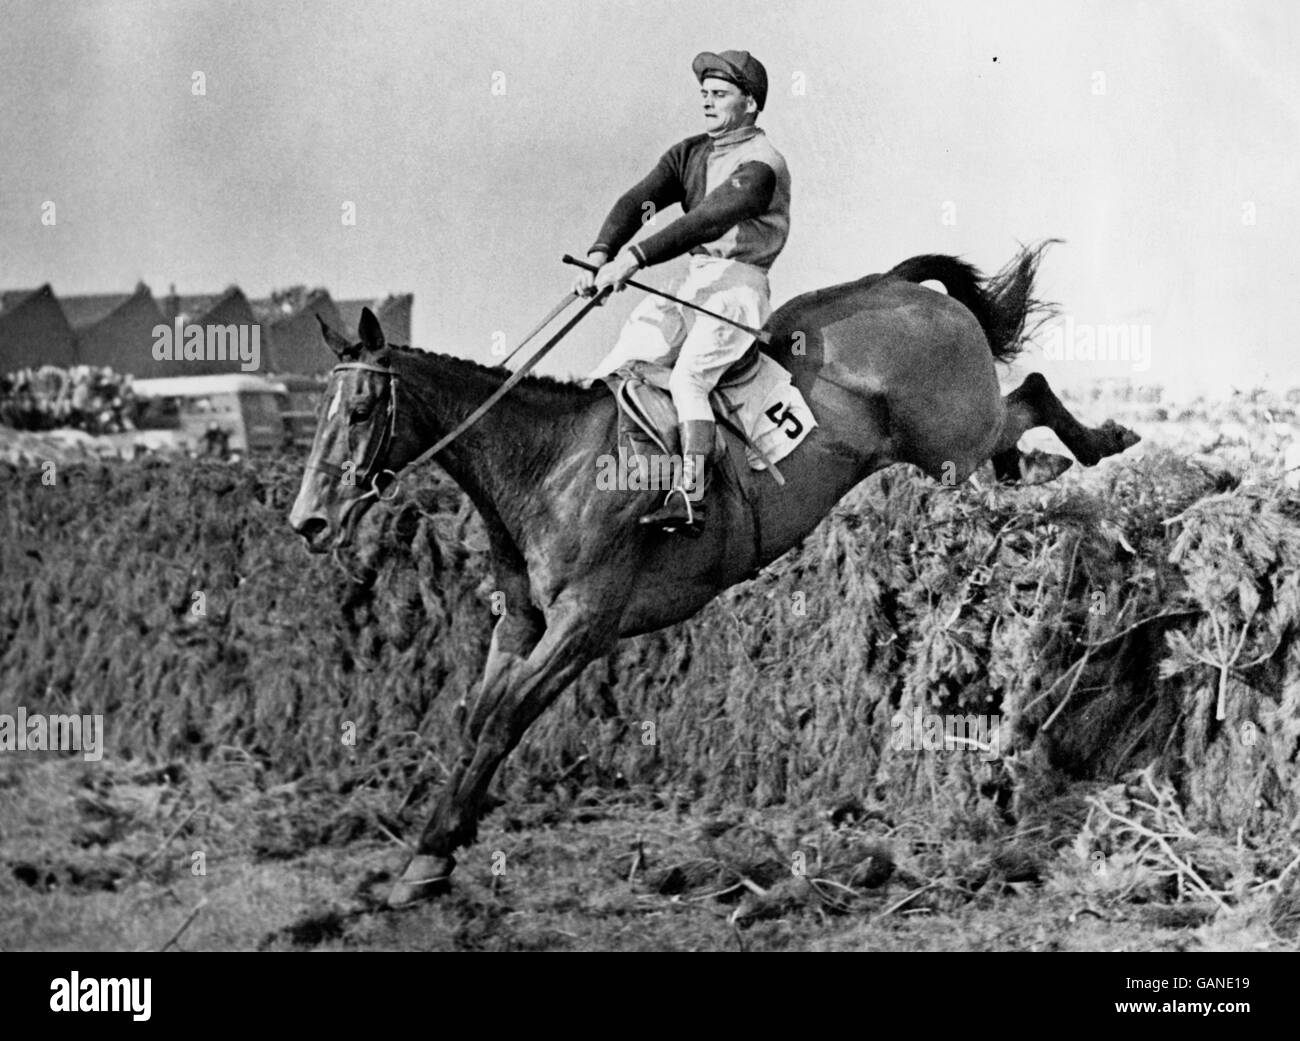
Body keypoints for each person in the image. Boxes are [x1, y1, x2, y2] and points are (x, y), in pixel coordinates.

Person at [575, 49, 791, 536]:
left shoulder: (761, 166)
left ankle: (693, 496)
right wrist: (599, 255)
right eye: (704, 95)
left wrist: (632, 259)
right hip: (693, 281)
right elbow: (639, 200)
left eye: (719, 95)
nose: (708, 103)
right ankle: (620, 481)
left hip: (739, 286)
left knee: (688, 380)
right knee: (620, 364)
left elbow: (706, 219)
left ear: (751, 103)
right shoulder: (689, 153)